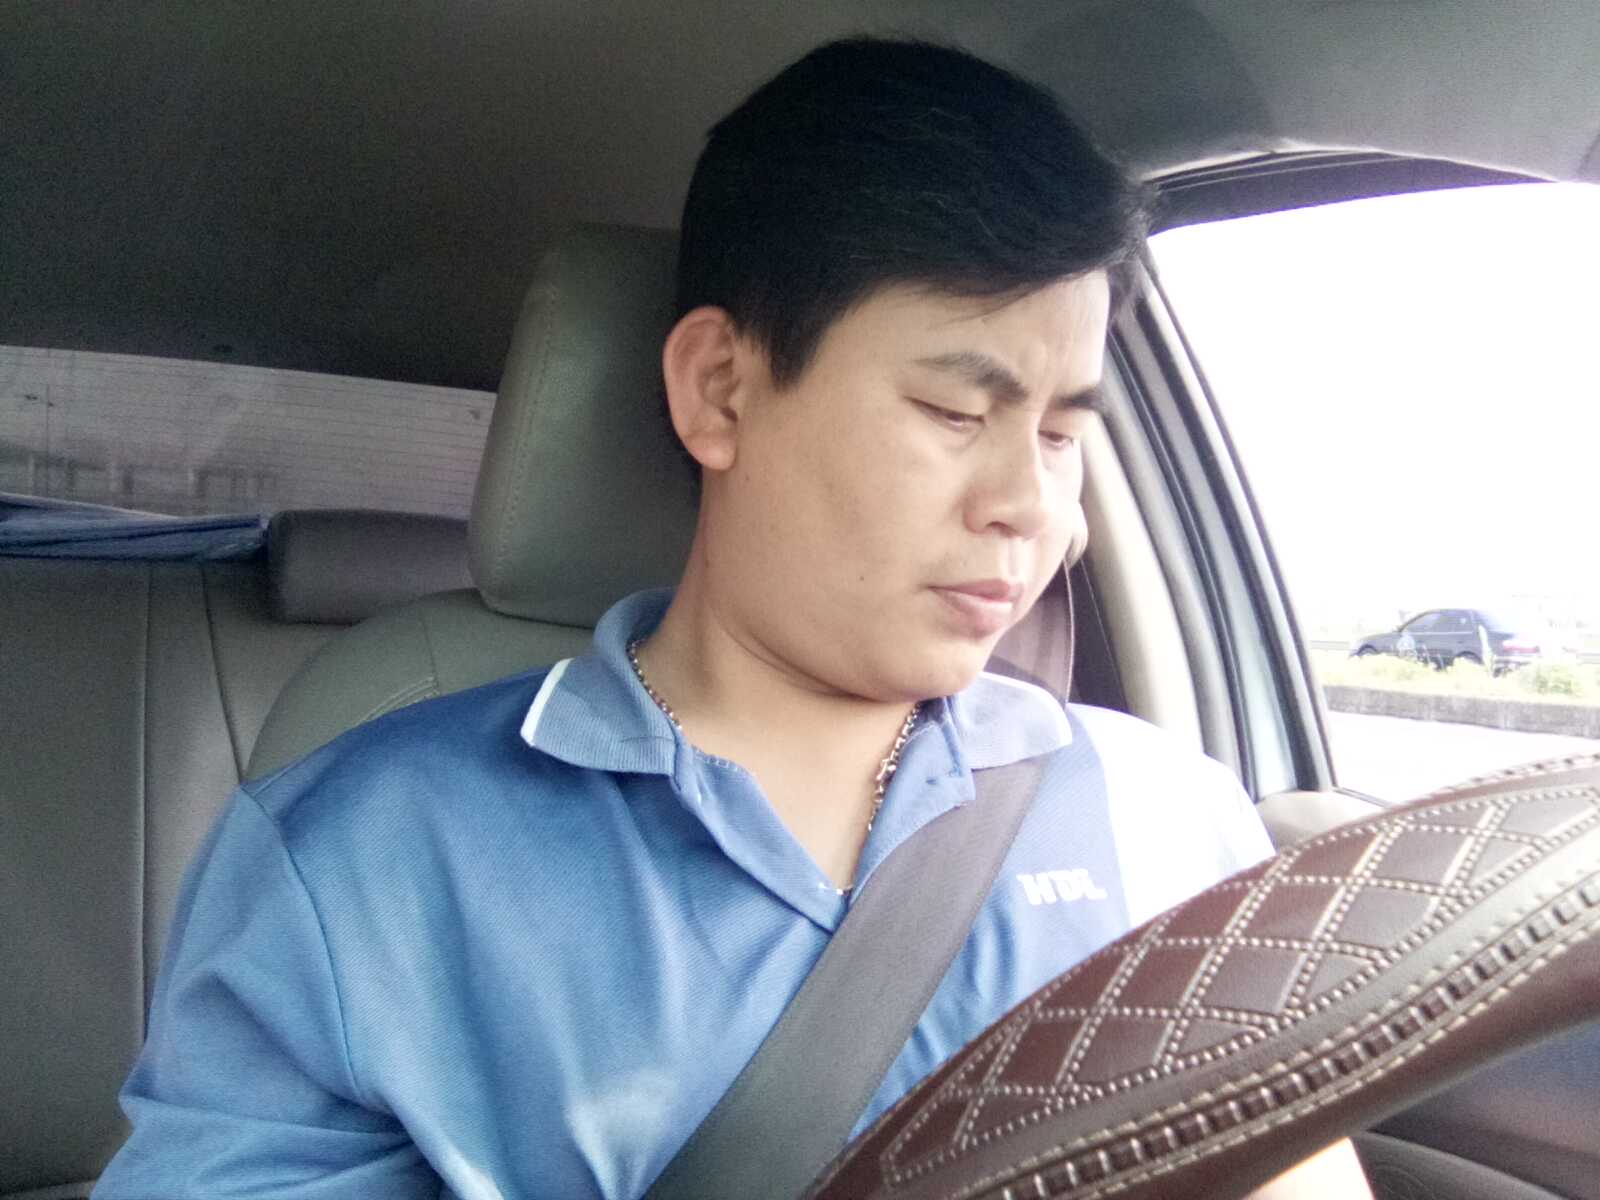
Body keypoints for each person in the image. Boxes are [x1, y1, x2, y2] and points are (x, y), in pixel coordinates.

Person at [94, 37, 1372, 1200]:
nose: (1031, 507)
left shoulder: (1166, 812)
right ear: (720, 389)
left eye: (1059, 432)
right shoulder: (366, 858)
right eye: (954, 412)